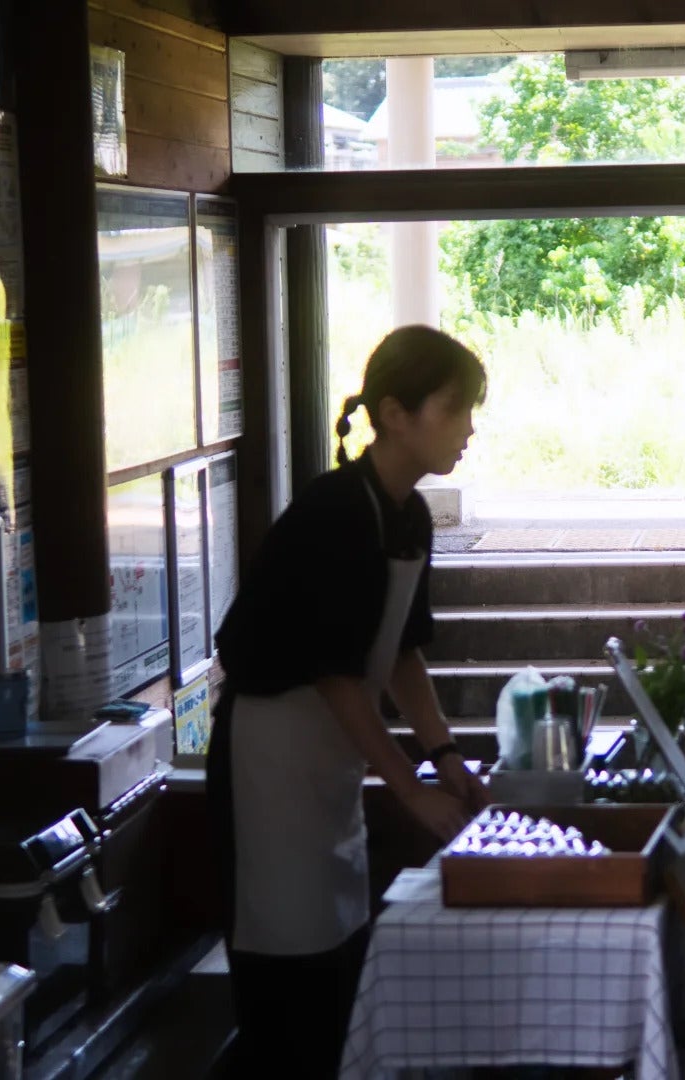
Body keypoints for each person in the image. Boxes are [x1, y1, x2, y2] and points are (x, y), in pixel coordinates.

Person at [207, 325, 492, 1078]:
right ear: (394, 414)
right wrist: (408, 789)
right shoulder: (334, 510)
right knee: (283, 974)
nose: (469, 427)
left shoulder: (409, 515)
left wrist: (446, 758)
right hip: (270, 750)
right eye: (455, 408)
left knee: (336, 956)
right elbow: (336, 676)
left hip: (328, 757)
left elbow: (402, 652)